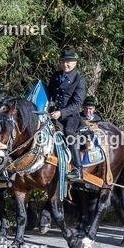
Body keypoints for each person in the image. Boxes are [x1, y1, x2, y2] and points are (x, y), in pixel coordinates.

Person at [48, 49, 87, 179]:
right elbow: (49, 93)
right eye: (63, 61)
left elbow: (77, 104)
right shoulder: (56, 76)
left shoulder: (79, 80)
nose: (65, 64)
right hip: (53, 112)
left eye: (69, 62)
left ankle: (78, 168)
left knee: (70, 132)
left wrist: (61, 112)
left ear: (75, 63)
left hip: (71, 115)